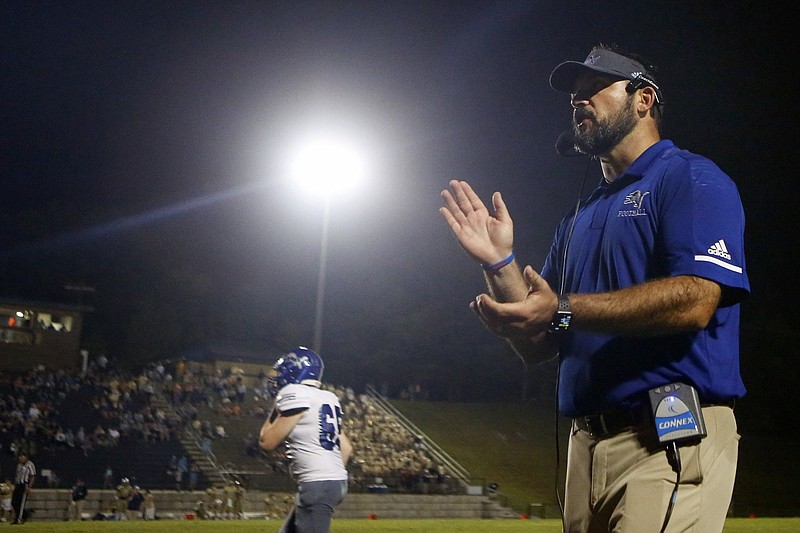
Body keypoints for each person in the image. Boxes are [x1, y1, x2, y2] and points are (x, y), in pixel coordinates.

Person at [439, 43, 748, 533]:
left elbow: (696, 300)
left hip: (666, 433)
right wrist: (499, 263)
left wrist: (561, 307)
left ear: (643, 99)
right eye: (573, 96)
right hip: (584, 448)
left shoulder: (690, 177)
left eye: (592, 89)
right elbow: (543, 339)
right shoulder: (578, 217)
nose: (577, 101)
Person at [259, 347, 352, 533]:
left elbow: (266, 442)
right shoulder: (328, 397)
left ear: (296, 369)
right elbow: (347, 449)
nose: (278, 376)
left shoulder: (295, 392)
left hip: (318, 485)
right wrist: (330, 477)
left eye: (282, 371)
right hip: (334, 482)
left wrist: (275, 408)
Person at [11, 452, 35, 524]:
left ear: (26, 457)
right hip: (18, 484)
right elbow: (17, 475)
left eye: (22, 456)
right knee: (14, 502)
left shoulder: (30, 465)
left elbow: (32, 476)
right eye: (19, 457)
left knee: (21, 503)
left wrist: (29, 486)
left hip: (24, 484)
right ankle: (25, 514)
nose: (20, 458)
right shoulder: (19, 465)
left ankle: (19, 519)